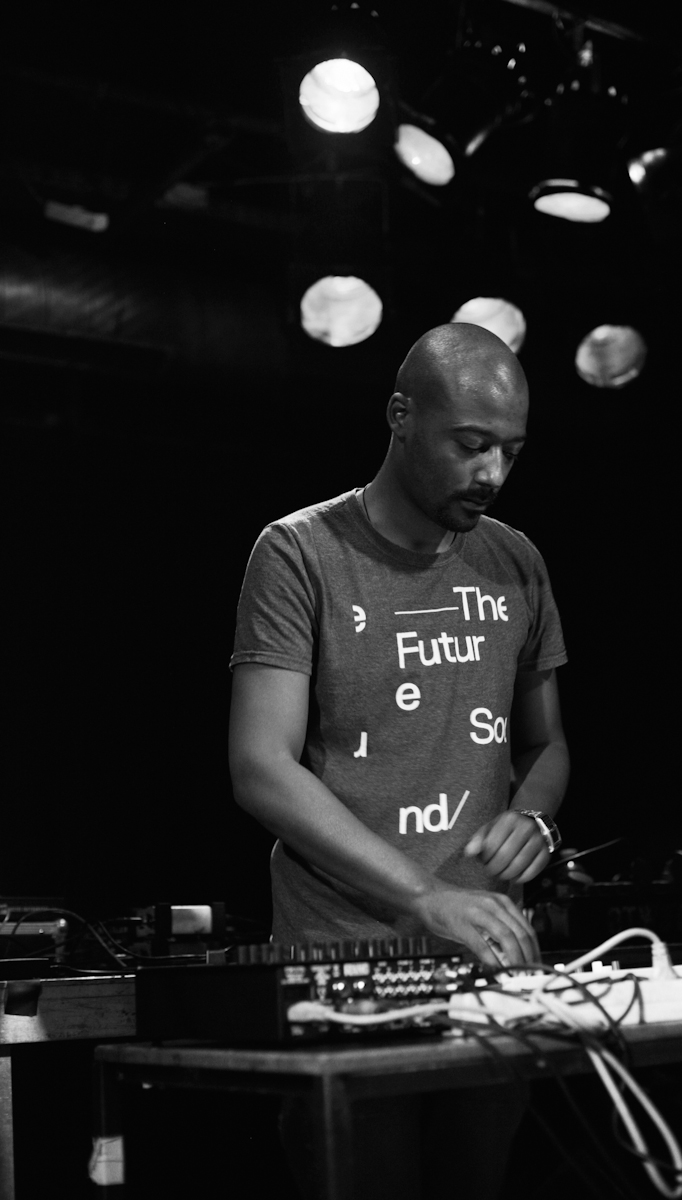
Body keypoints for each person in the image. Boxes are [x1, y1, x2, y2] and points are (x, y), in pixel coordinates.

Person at [228, 322, 569, 1199]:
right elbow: (260, 764)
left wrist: (533, 814)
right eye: (471, 445)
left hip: (490, 966)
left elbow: (545, 743)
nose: (492, 473)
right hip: (344, 965)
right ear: (400, 416)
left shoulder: (516, 561)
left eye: (511, 451)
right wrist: (423, 895)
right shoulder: (299, 551)